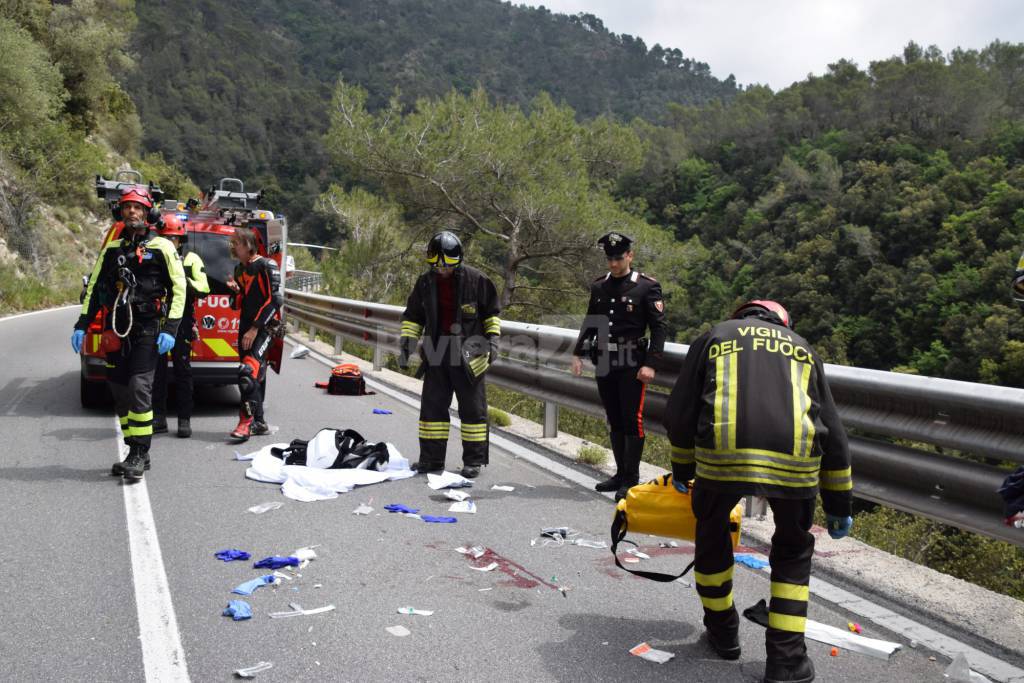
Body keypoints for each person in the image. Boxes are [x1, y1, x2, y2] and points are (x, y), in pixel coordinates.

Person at [663, 300, 853, 683]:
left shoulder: (714, 336)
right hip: (795, 464)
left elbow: (680, 413)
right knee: (792, 552)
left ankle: (723, 634)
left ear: (742, 317)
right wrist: (838, 503)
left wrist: (683, 468)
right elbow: (832, 430)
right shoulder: (802, 347)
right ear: (783, 322)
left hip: (722, 460)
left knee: (713, 535)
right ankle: (786, 662)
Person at [72, 186, 186, 479]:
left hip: (148, 329)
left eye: (137, 207)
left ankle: (139, 452)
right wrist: (82, 324)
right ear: (120, 212)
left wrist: (171, 328)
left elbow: (179, 288)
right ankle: (133, 447)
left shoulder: (163, 247)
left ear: (148, 213)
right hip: (116, 329)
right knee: (120, 391)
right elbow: (95, 288)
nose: (132, 212)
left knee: (138, 388)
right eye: (126, 207)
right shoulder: (112, 250)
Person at [571, 232, 667, 500]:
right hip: (604, 360)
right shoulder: (599, 286)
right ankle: (619, 473)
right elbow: (591, 320)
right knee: (613, 417)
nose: (613, 264)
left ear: (630, 256)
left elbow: (659, 328)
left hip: (632, 363)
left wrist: (651, 364)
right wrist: (578, 352)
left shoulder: (646, 287)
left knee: (631, 419)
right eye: (610, 258)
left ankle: (631, 479)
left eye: (618, 258)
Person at [398, 231, 501, 478]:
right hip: (436, 353)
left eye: (447, 265)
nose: (442, 269)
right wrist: (407, 345)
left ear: (457, 260)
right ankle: (431, 461)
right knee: (432, 411)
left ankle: (473, 462)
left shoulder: (477, 280)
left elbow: (491, 314)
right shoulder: (425, 282)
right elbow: (413, 316)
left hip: (469, 356)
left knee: (472, 410)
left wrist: (493, 342)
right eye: (438, 265)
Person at [151, 214, 209, 438]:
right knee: (157, 373)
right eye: (165, 237)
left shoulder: (191, 259)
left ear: (180, 240)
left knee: (183, 372)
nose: (168, 242)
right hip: (157, 321)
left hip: (181, 322)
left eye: (173, 238)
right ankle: (159, 418)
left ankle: (184, 419)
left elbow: (203, 287)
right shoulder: (152, 257)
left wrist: (180, 280)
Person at [226, 227, 282, 442]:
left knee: (248, 372)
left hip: (264, 327)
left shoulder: (266, 265)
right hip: (246, 326)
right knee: (254, 375)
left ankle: (245, 424)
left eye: (236, 243)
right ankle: (259, 422)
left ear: (248, 245)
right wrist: (235, 292)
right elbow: (237, 304)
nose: (233, 246)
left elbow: (274, 300)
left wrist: (255, 328)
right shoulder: (240, 269)